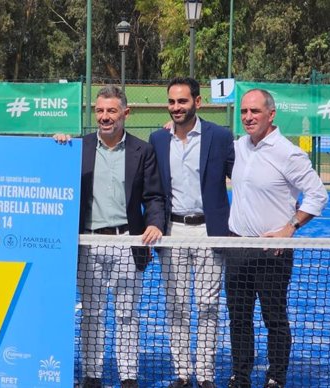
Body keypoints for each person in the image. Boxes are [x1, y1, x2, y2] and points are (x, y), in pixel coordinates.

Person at [56, 85, 165, 388]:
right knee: (91, 314)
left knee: (127, 315)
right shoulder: (77, 147)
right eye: (100, 110)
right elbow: (54, 174)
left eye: (111, 111)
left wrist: (155, 223)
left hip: (128, 244)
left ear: (125, 113)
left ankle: (128, 376)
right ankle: (92, 376)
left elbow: (155, 196)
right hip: (87, 244)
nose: (105, 117)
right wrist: (59, 146)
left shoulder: (143, 150)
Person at [226, 89, 328, 388]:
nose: (248, 117)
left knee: (274, 318)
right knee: (239, 318)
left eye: (254, 111)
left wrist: (291, 226)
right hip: (237, 247)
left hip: (273, 251)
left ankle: (276, 377)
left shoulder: (289, 153)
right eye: (244, 111)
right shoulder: (239, 146)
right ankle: (240, 376)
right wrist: (172, 129)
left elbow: (318, 194)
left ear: (271, 114)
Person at [148, 77, 234, 388]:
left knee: (208, 305)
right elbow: (155, 190)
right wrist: (155, 222)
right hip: (172, 232)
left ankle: (206, 376)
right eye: (171, 102)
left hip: (210, 233)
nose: (176, 107)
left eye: (182, 101)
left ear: (197, 102)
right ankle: (183, 374)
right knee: (177, 304)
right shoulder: (157, 139)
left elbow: (244, 177)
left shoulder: (221, 137)